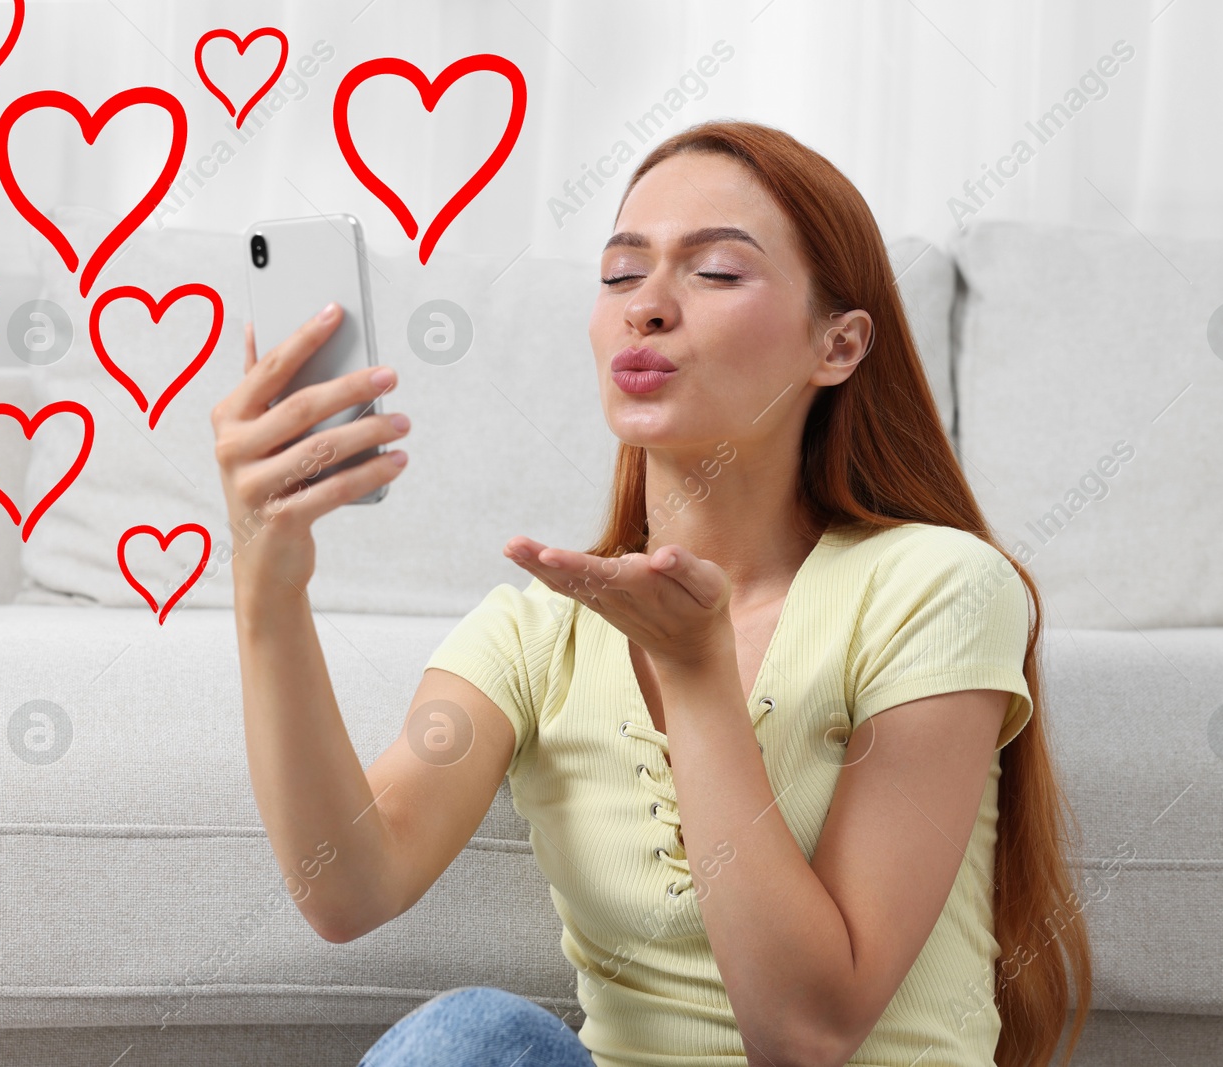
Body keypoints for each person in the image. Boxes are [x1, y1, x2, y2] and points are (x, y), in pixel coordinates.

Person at [210, 120, 1091, 1067]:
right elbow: (347, 887)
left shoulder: (936, 586)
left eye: (714, 273)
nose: (647, 308)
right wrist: (269, 580)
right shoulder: (535, 633)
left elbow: (807, 1032)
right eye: (622, 274)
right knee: (476, 1039)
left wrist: (696, 669)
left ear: (837, 346)